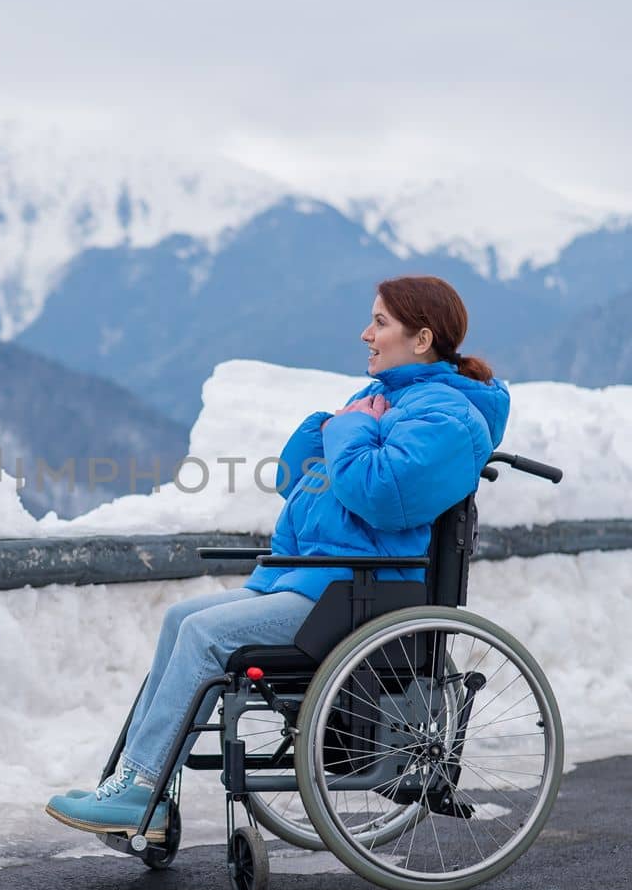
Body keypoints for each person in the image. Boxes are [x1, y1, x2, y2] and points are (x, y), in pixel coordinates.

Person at [44, 275, 511, 842]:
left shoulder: (446, 417)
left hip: (355, 593)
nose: (366, 333)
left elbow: (381, 494)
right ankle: (143, 791)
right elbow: (291, 479)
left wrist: (354, 426)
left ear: (421, 340)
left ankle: (141, 786)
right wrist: (332, 424)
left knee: (203, 637)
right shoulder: (391, 401)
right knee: (179, 621)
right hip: (311, 579)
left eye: (381, 323)